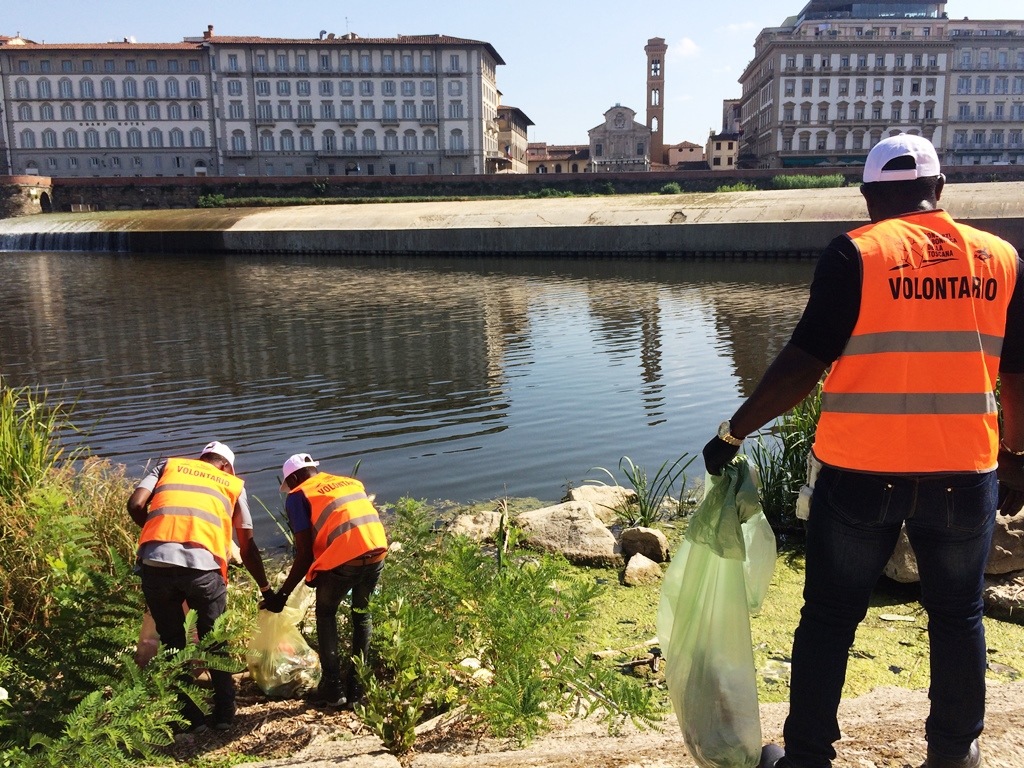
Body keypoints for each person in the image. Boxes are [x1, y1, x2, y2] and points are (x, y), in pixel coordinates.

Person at [701, 134, 1024, 768]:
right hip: (965, 470)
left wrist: (732, 433)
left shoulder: (857, 252)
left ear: (870, 196)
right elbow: (1017, 372)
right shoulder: (1002, 258)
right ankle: (954, 756)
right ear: (940, 190)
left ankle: (807, 758)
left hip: (859, 473)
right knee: (957, 616)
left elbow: (801, 367)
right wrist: (1017, 451)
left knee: (828, 617)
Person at [127, 440, 273, 733]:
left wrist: (158, 539)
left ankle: (186, 717)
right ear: (227, 466)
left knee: (172, 643)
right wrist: (266, 588)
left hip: (155, 567)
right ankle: (222, 713)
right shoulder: (232, 483)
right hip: (203, 571)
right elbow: (246, 542)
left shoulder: (168, 465)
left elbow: (135, 504)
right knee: (215, 641)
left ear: (204, 458)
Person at [262, 453, 388, 708]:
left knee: (326, 613)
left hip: (346, 559)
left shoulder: (298, 494)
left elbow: (305, 553)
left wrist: (282, 596)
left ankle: (333, 687)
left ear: (294, 477)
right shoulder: (350, 482)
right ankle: (357, 686)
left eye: (290, 483)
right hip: (377, 551)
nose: (291, 488)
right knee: (362, 614)